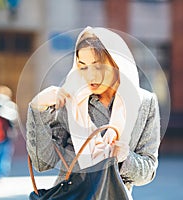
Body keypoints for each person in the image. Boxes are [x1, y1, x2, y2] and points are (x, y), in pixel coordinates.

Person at [26, 26, 161, 198]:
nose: (90, 76)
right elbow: (42, 163)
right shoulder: (70, 98)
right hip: (72, 196)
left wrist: (125, 158)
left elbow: (148, 171)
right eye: (83, 67)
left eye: (98, 67)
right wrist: (39, 109)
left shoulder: (145, 103)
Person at [0, 85, 18, 180]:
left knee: (4, 155)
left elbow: (13, 120)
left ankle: (0, 174)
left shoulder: (10, 106)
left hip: (6, 135)